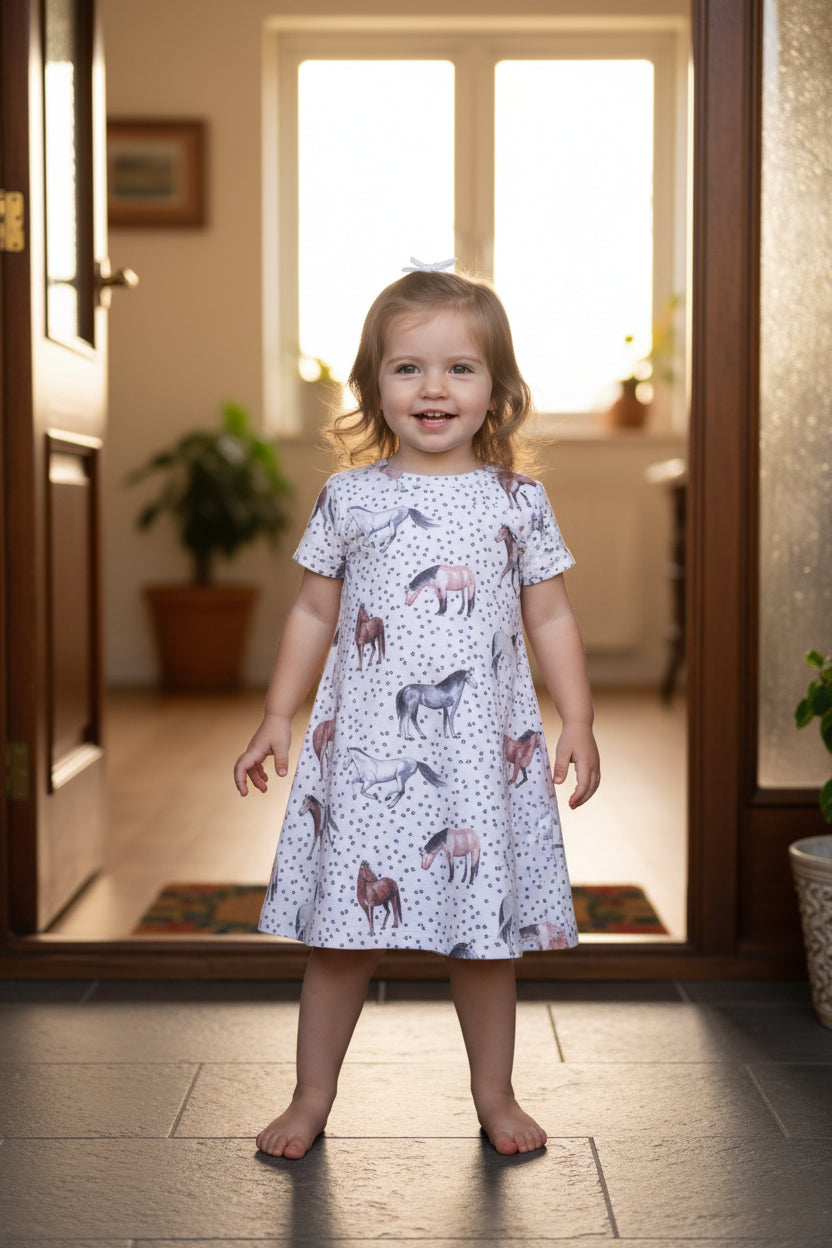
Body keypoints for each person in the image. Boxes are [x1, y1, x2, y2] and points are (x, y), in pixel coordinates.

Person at [234, 260, 600, 1160]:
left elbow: (550, 615)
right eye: (408, 368)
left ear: (497, 391)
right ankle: (311, 1096)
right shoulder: (351, 497)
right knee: (340, 940)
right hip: (365, 755)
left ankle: (495, 1095)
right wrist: (277, 713)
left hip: (478, 757)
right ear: (373, 388)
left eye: (459, 368)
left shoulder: (518, 503)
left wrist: (579, 719)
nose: (434, 388)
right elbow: (313, 611)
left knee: (486, 943)